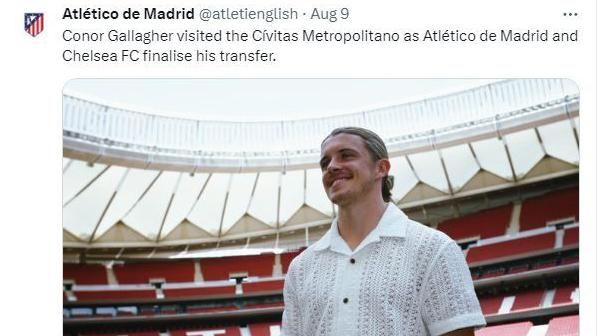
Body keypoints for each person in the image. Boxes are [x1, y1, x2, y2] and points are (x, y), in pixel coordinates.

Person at [281, 127, 486, 336]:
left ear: (381, 168)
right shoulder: (300, 268)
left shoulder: (434, 249)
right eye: (325, 163)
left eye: (346, 156)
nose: (332, 166)